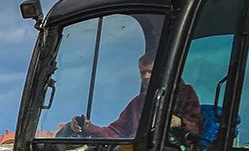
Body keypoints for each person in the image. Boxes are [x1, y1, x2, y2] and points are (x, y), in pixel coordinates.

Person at [69, 52, 202, 139]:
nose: (145, 77)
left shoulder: (185, 94)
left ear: (163, 72)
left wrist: (179, 122)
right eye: (142, 73)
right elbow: (116, 132)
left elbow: (197, 128)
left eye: (150, 72)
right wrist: (88, 127)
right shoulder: (137, 103)